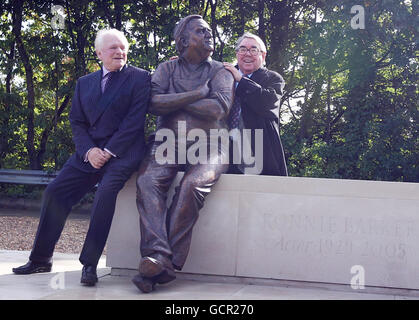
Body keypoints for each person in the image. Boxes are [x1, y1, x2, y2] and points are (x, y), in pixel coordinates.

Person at [12, 29, 151, 287]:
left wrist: (107, 152)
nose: (120, 52)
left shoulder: (140, 78)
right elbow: (76, 121)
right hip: (88, 153)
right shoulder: (84, 83)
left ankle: (89, 264)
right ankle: (41, 259)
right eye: (113, 48)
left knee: (105, 194)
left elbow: (134, 122)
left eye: (123, 47)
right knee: (55, 191)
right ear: (99, 53)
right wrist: (89, 151)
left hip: (122, 153)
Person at [132, 15, 234, 293]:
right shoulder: (166, 69)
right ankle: (159, 257)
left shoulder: (221, 71)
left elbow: (218, 110)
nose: (209, 35)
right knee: (147, 181)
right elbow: (152, 104)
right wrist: (198, 94)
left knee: (192, 184)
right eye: (201, 31)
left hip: (212, 143)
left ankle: (159, 261)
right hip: (168, 141)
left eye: (210, 31)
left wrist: (175, 100)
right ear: (184, 39)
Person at [223, 32, 288, 176]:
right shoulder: (223, 75)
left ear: (263, 56)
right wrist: (184, 66)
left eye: (253, 50)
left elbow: (266, 103)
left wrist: (241, 81)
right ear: (236, 53)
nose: (248, 54)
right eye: (243, 49)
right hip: (223, 149)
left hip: (258, 150)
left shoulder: (273, 78)